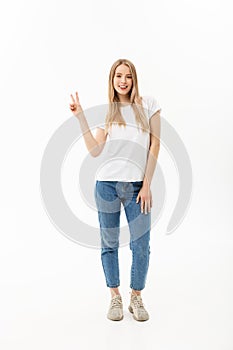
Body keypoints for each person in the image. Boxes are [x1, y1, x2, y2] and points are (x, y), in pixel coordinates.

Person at [69, 58, 161, 322]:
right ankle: (115, 297)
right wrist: (81, 118)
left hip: (136, 188)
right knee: (109, 243)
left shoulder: (149, 105)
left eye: (128, 76)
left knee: (141, 244)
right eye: (118, 76)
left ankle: (136, 296)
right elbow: (95, 151)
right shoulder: (106, 113)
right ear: (112, 80)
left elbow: (155, 144)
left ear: (134, 79)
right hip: (106, 185)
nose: (123, 81)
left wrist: (146, 184)